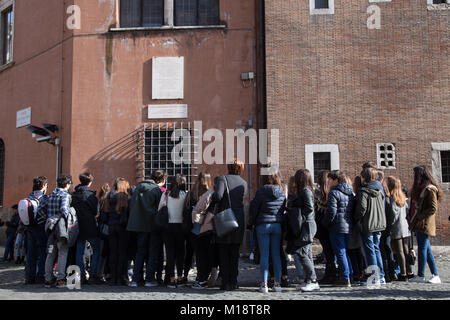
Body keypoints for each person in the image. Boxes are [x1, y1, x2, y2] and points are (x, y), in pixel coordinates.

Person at [211, 159, 248, 291]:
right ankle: (234, 281)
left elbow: (218, 196)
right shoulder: (244, 183)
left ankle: (225, 282)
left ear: (229, 167)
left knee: (224, 252)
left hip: (224, 218)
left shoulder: (222, 179)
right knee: (234, 253)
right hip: (238, 219)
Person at [249, 167, 286, 293]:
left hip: (263, 225)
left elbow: (254, 208)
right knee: (276, 255)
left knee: (264, 255)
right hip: (277, 225)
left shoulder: (261, 191)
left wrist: (253, 221)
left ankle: (264, 284)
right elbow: (282, 208)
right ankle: (277, 284)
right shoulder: (282, 191)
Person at [127, 172, 164, 287]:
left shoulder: (137, 188)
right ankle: (149, 279)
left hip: (138, 225)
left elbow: (132, 205)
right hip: (152, 225)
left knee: (140, 252)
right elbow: (159, 208)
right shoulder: (156, 190)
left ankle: (135, 279)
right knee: (152, 253)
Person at [286, 169, 319, 292]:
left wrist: (298, 215)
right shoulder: (305, 191)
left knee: (303, 253)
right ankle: (309, 280)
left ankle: (313, 280)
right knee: (306, 253)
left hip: (306, 226)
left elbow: (309, 208)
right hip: (306, 225)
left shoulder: (306, 192)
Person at [409, 166, 442, 284]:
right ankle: (435, 274)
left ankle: (421, 275)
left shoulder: (430, 189)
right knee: (426, 250)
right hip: (418, 223)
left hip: (424, 223)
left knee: (422, 249)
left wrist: (419, 217)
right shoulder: (421, 189)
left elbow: (432, 208)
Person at [354, 167, 387, 286]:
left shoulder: (364, 191)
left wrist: (357, 218)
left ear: (365, 177)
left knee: (370, 250)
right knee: (376, 248)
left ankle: (375, 276)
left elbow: (362, 208)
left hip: (368, 223)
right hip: (379, 223)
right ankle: (381, 275)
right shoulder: (380, 189)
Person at [323, 170, 354, 287]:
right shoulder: (350, 192)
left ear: (336, 180)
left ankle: (345, 278)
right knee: (345, 252)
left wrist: (325, 222)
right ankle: (350, 275)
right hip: (348, 225)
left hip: (336, 226)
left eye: (330, 179)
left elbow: (331, 211)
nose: (328, 181)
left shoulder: (334, 193)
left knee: (340, 252)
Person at [71, 172, 104, 285]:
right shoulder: (91, 196)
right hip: (90, 225)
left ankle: (81, 274)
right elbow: (96, 211)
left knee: (79, 251)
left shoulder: (74, 195)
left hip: (77, 225)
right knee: (96, 250)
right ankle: (93, 273)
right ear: (90, 182)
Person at [158, 174, 188, 288]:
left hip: (168, 226)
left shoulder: (166, 194)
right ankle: (180, 278)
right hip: (180, 226)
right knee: (181, 253)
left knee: (170, 254)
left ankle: (171, 279)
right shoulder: (184, 195)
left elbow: (160, 209)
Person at [44, 174, 73, 288]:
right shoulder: (65, 195)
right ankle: (61, 279)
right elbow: (64, 209)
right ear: (67, 184)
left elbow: (44, 210)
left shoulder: (51, 195)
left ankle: (48, 279)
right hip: (60, 228)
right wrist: (68, 220)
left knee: (51, 253)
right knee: (62, 252)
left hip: (51, 226)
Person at [103, 178, 131, 286]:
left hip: (111, 225)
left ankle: (113, 277)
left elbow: (105, 213)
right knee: (122, 252)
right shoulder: (124, 197)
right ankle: (121, 276)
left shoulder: (109, 196)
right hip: (122, 227)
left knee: (113, 252)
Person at [190, 172, 215, 289]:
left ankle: (201, 278)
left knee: (199, 254)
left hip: (195, 227)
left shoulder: (192, 193)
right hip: (207, 226)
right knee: (206, 254)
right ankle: (204, 277)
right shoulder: (211, 193)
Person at [386, 176, 413, 281]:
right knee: (406, 250)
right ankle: (409, 271)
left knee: (399, 251)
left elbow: (393, 214)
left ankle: (403, 273)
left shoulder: (394, 198)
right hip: (405, 226)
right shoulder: (402, 197)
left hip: (397, 227)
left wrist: (390, 225)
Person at [313, 170, 337, 285]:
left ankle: (330, 274)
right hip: (331, 225)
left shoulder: (318, 192)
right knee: (331, 251)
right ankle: (333, 273)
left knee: (328, 252)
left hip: (323, 224)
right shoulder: (332, 191)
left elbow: (317, 208)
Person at [25, 176, 49, 285]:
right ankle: (40, 276)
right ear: (43, 186)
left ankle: (29, 277)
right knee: (42, 252)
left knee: (31, 253)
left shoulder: (28, 197)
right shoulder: (45, 198)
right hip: (41, 228)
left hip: (30, 228)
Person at [348, 176, 367, 284]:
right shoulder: (357, 196)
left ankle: (359, 272)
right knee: (358, 251)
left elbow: (360, 210)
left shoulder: (358, 196)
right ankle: (359, 272)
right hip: (359, 226)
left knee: (357, 251)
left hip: (357, 226)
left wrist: (355, 218)